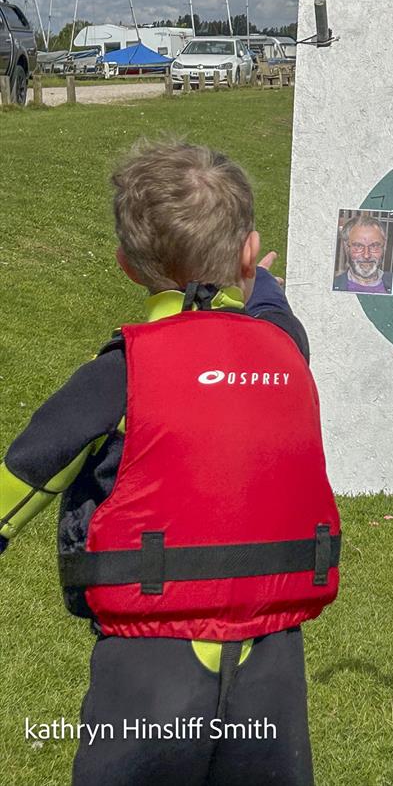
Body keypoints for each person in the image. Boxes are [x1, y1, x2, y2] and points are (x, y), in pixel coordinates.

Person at [0, 139, 340, 786]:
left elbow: (25, 475)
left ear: (128, 266)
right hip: (270, 662)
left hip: (148, 667)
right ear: (248, 250)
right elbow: (269, 311)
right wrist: (257, 280)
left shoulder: (123, 372)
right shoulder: (287, 346)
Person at [332, 214, 393, 293]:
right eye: (358, 246)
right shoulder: (331, 287)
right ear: (346, 248)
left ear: (384, 247)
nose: (366, 255)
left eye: (374, 246)